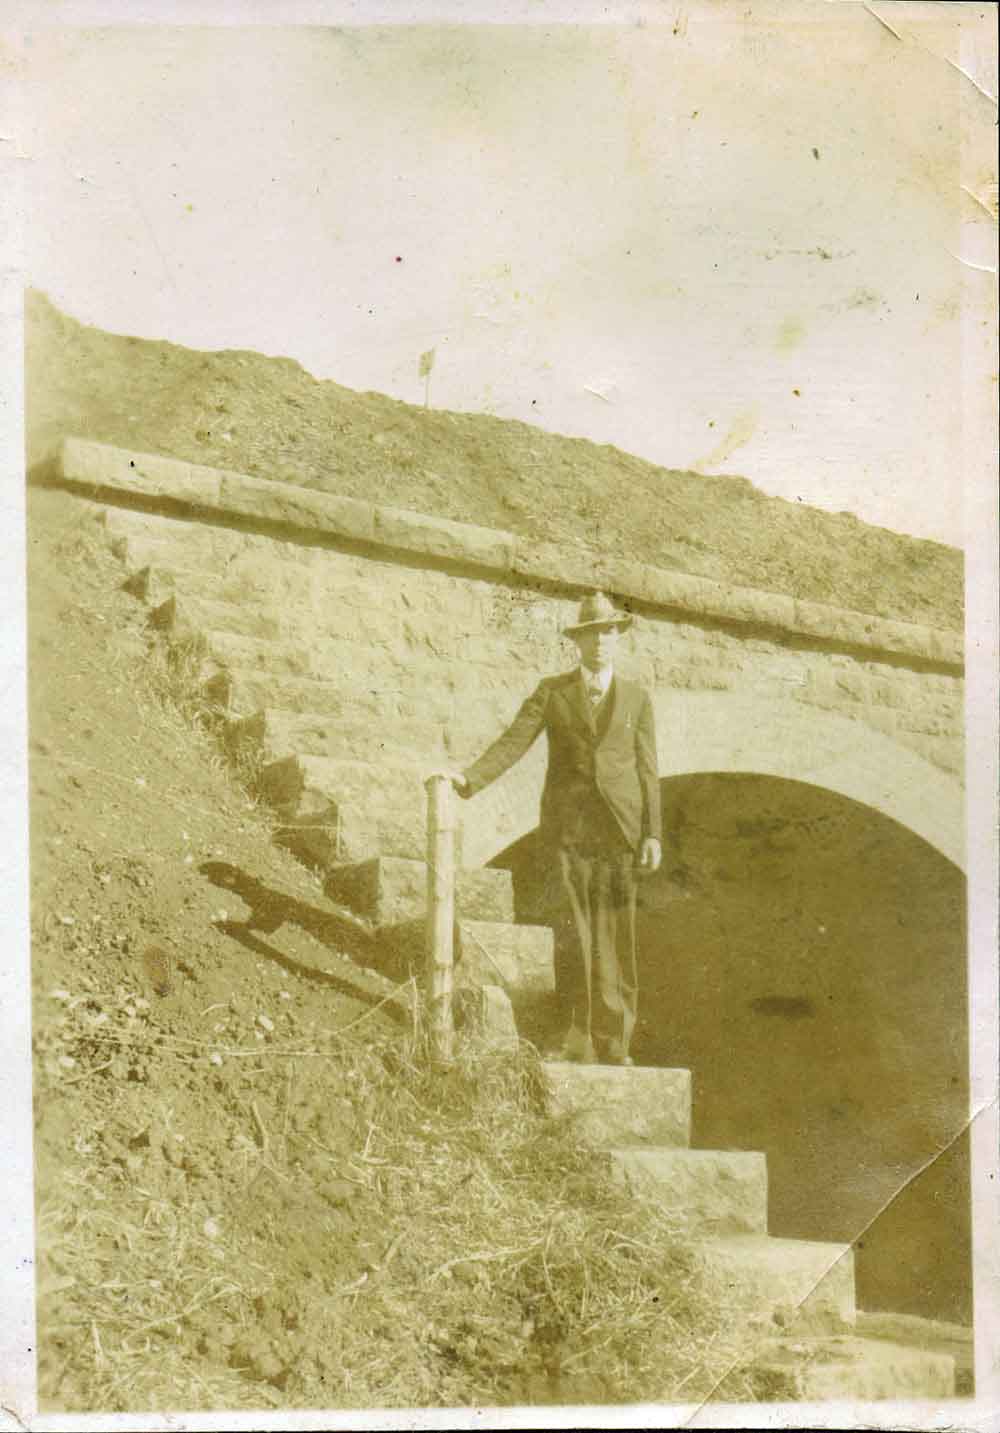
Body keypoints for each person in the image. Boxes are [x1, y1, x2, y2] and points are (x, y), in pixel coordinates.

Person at [448, 592, 662, 1065]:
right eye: (591, 634)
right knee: (572, 933)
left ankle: (615, 1042)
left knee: (615, 937)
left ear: (617, 638)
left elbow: (648, 770)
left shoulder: (637, 700)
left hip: (621, 835)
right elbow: (515, 740)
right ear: (578, 642)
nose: (600, 642)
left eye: (608, 632)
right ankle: (576, 1038)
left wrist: (652, 833)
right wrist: (470, 779)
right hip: (569, 833)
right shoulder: (553, 692)